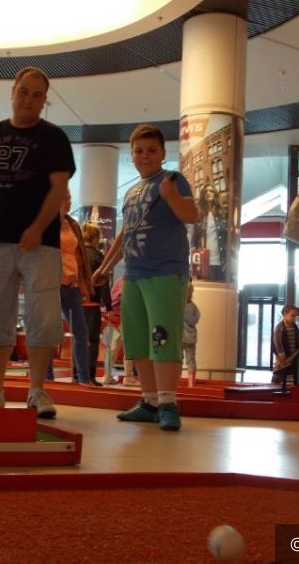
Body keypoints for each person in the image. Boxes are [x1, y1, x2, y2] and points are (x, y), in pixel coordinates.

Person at [0, 66, 75, 418]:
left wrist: (38, 227)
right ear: (13, 92)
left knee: (43, 315)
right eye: (24, 91)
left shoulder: (54, 138)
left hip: (43, 244)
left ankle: (37, 391)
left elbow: (59, 188)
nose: (28, 99)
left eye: (37, 95)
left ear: (44, 101)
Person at [93, 124, 198, 431]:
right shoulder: (132, 192)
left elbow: (192, 216)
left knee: (162, 337)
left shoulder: (172, 180)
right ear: (132, 155)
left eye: (152, 150)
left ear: (163, 153)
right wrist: (104, 268)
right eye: (139, 151)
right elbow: (126, 234)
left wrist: (171, 196)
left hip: (165, 272)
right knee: (137, 339)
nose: (145, 156)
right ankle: (149, 401)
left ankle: (168, 403)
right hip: (134, 275)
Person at [52, 190, 95, 386]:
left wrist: (83, 284)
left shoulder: (73, 224)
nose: (68, 202)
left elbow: (79, 257)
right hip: (52, 283)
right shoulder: (47, 223)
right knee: (50, 332)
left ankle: (84, 378)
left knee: (81, 332)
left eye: (70, 199)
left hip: (72, 284)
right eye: (65, 199)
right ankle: (47, 377)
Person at [82, 222, 113, 386]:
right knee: (93, 341)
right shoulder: (99, 257)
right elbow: (104, 284)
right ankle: (91, 375)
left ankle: (77, 373)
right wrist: (108, 307)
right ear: (95, 238)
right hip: (93, 305)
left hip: (77, 302)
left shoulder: (78, 254)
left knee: (79, 339)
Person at [191, 183, 227, 281]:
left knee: (219, 288)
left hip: (220, 260)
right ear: (203, 195)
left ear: (215, 194)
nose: (208, 193)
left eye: (211, 191)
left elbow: (227, 236)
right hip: (204, 260)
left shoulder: (222, 213)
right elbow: (194, 239)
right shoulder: (199, 216)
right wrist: (194, 263)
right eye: (206, 191)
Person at [272, 304, 299, 384]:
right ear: (285, 314)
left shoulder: (295, 326)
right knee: (280, 373)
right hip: (284, 357)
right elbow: (277, 341)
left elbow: (298, 340)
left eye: (295, 316)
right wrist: (281, 353)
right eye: (292, 316)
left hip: (293, 355)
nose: (294, 318)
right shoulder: (280, 327)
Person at [182, 279, 200, 388]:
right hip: (191, 338)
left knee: (178, 360)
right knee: (191, 361)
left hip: (180, 338)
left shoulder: (179, 306)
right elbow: (195, 319)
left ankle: (176, 381)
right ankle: (191, 384)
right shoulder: (193, 307)